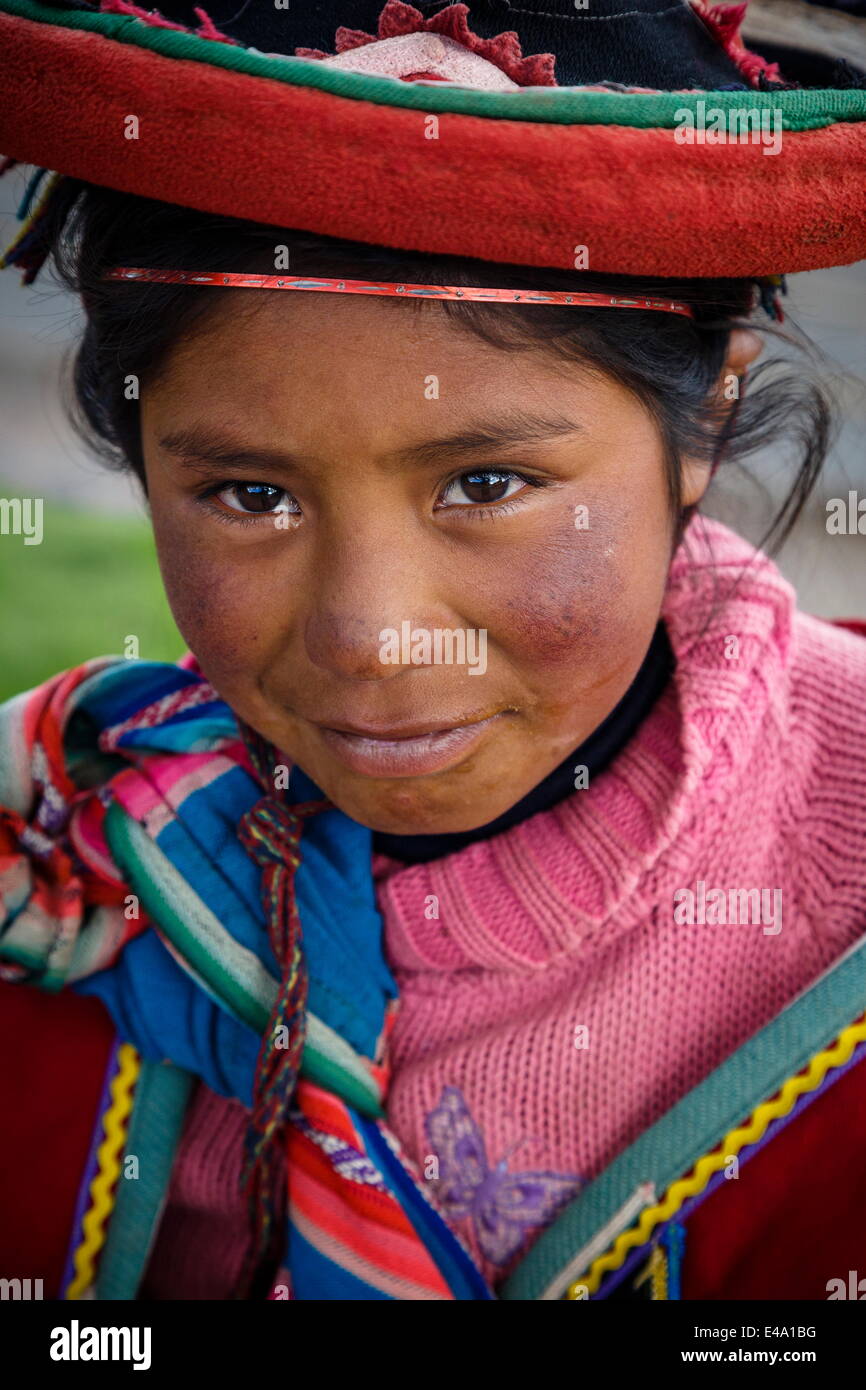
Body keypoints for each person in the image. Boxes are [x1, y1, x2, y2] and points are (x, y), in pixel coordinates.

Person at [1, 0, 865, 1302]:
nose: (367, 638)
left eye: (486, 482)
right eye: (250, 496)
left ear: (704, 418)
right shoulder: (63, 835)